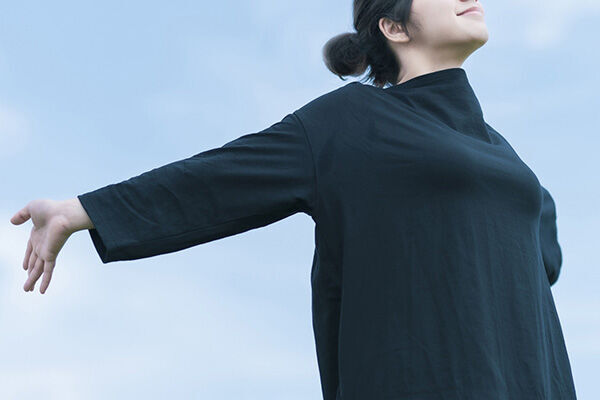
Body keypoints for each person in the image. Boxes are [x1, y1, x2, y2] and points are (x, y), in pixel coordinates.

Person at [10, 0, 577, 399]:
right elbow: (219, 179)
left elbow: (537, 260)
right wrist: (81, 210)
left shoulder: (508, 162)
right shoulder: (351, 122)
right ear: (394, 27)